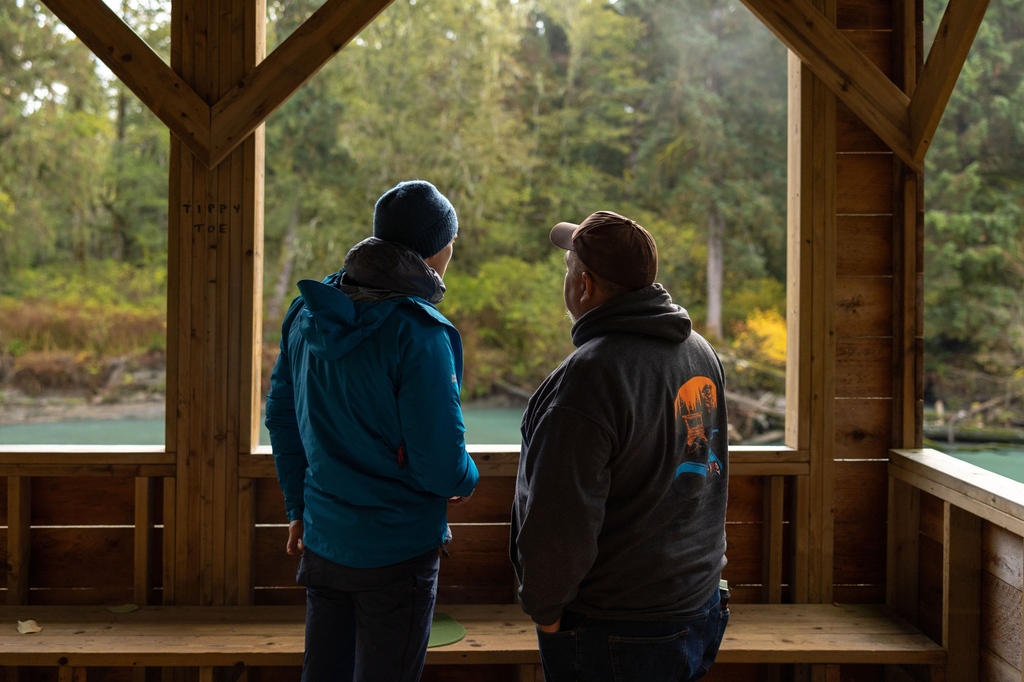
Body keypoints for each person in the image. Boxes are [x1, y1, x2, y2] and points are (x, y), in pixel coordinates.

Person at [266, 180, 480, 682]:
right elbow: (441, 465)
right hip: (397, 552)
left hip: (323, 542)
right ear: (437, 249)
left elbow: (282, 417)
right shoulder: (419, 332)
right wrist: (466, 479)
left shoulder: (309, 311)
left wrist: (298, 507)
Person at [510, 210, 730, 682]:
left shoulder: (589, 379)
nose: (565, 280)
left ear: (585, 286)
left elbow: (561, 518)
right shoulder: (699, 351)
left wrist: (547, 614)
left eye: (568, 269)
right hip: (698, 604)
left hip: (617, 628)